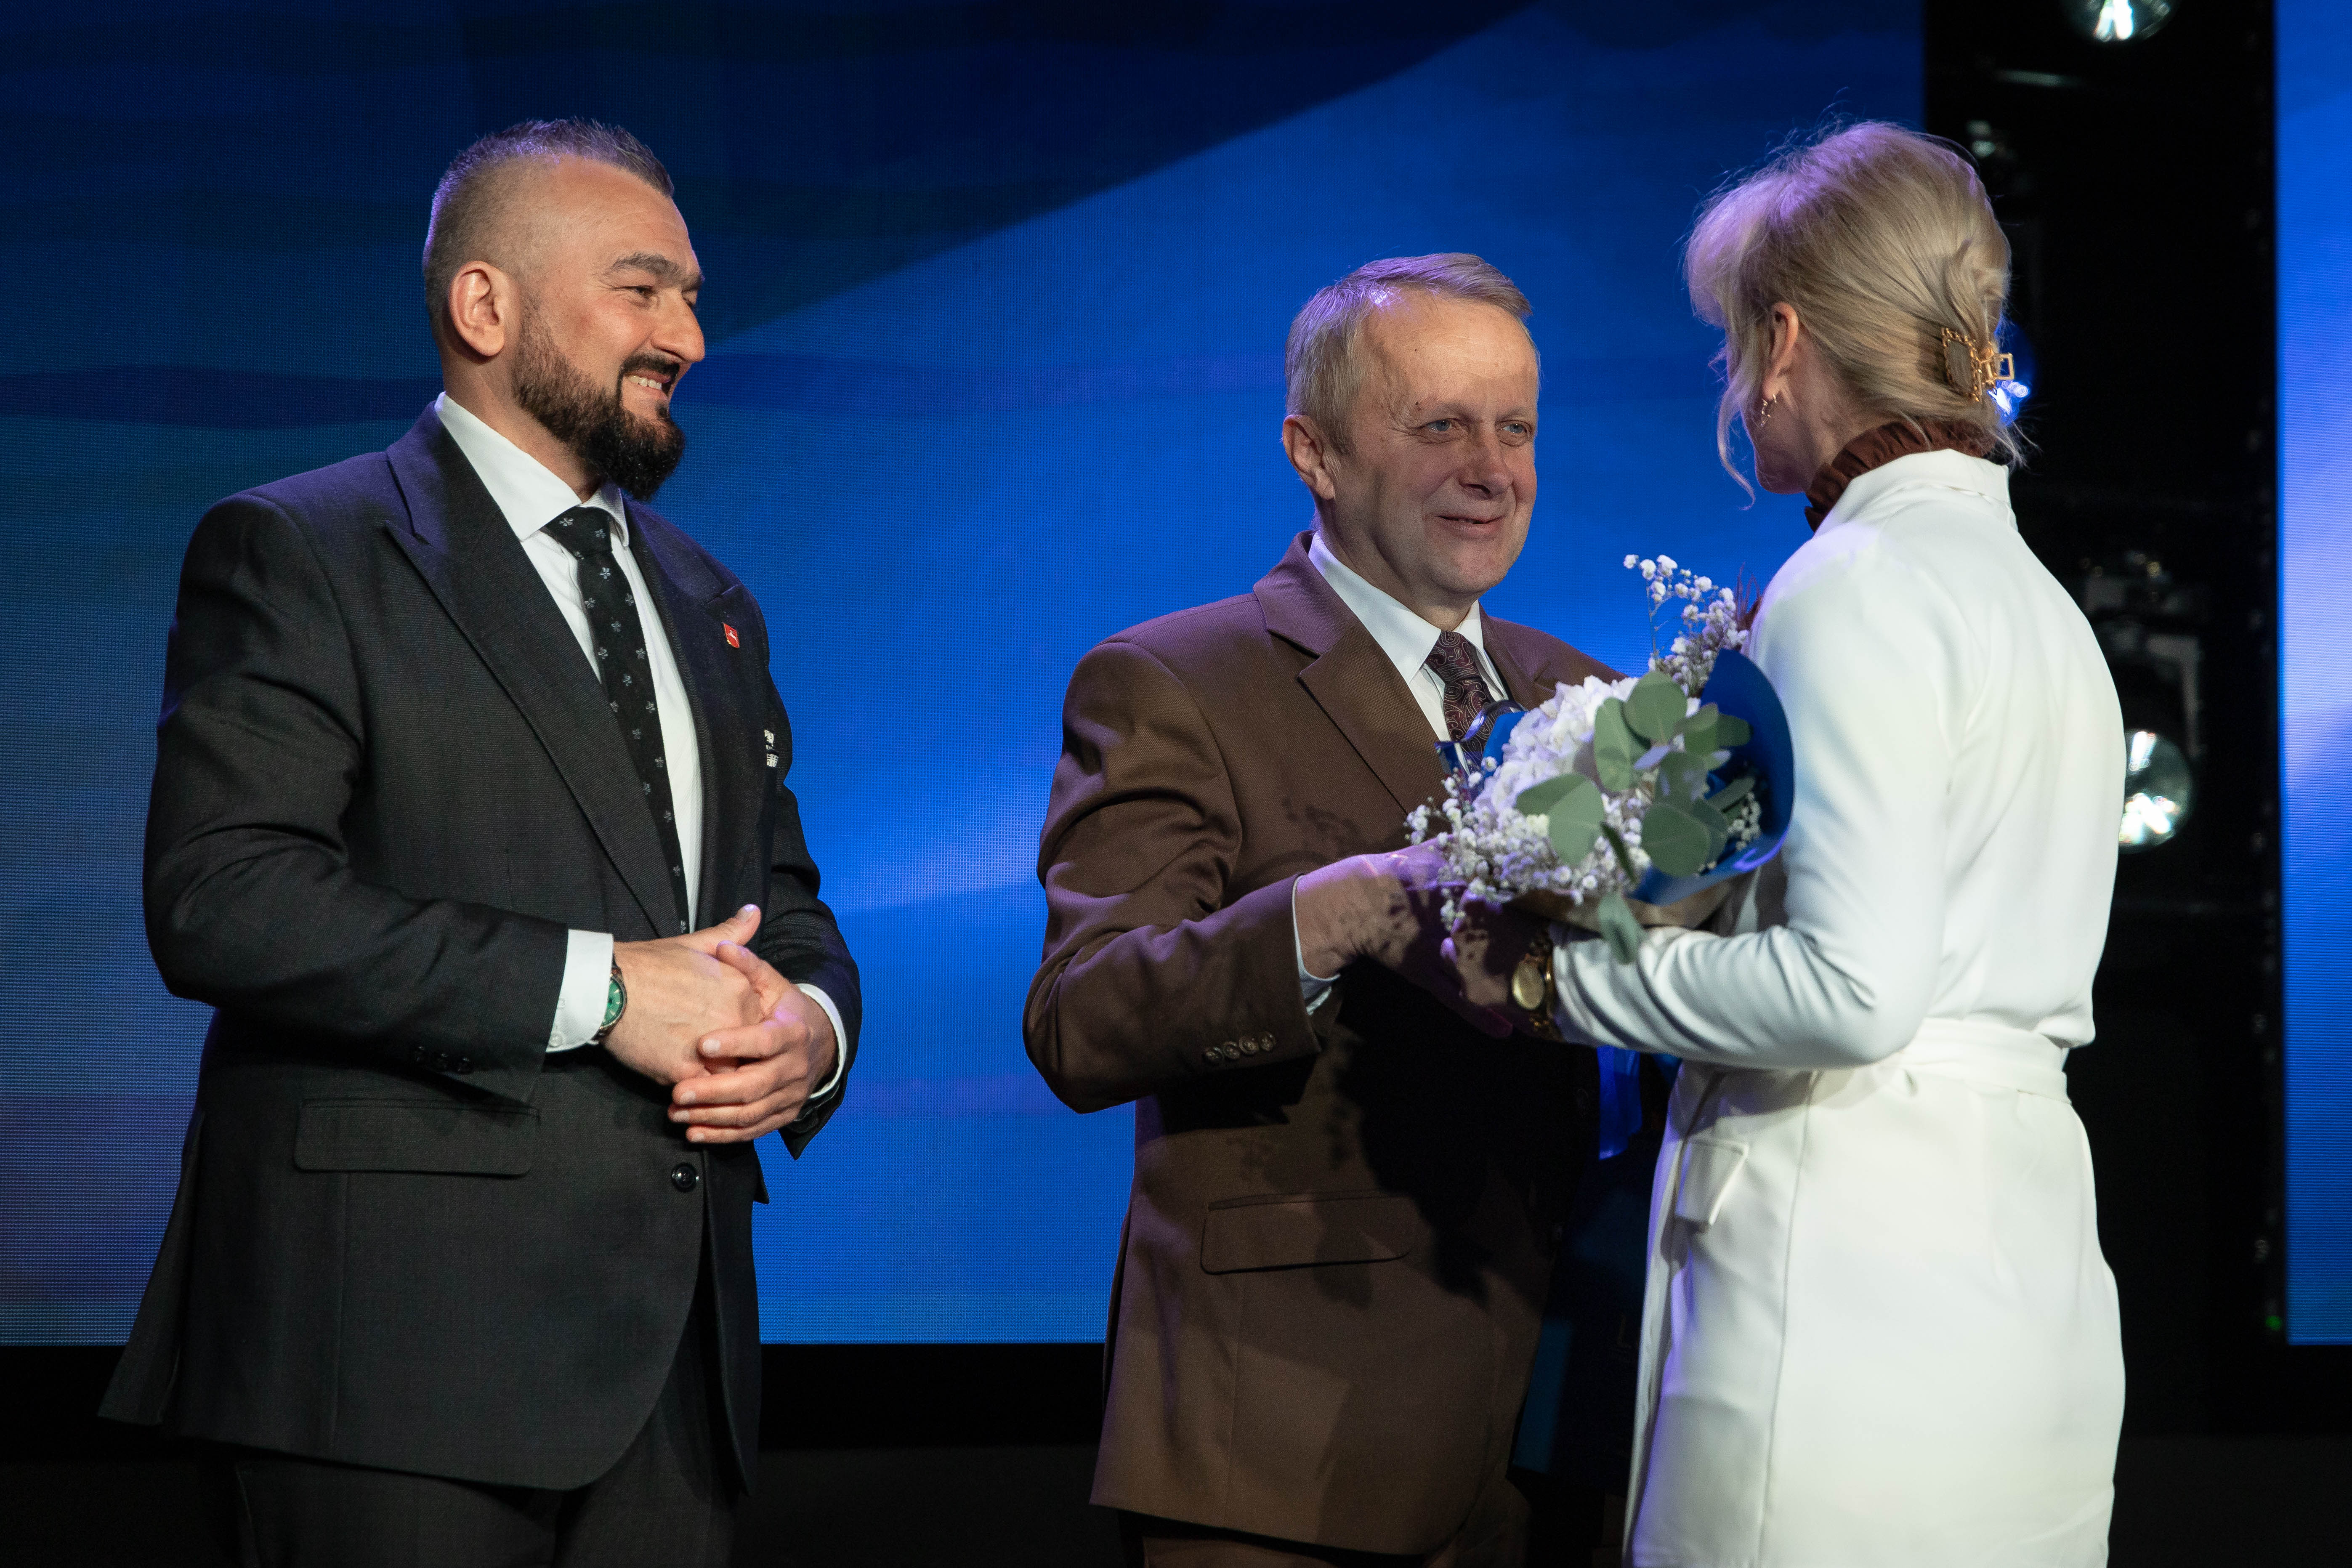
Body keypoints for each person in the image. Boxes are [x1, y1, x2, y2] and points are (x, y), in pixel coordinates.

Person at [101, 119, 860, 1567]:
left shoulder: (711, 600)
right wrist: (608, 990)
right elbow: (225, 897)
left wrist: (809, 1034)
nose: (689, 336)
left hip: (674, 1384)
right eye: (643, 290)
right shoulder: (303, 549)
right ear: (484, 306)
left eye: (694, 297)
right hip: (393, 1364)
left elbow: (785, 907)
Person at [1447, 123, 2127, 1566]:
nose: (1728, 377)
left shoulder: (1856, 583)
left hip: (1851, 1279)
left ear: (1788, 340)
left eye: (1731, 339)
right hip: (2027, 1279)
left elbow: (1853, 991)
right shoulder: (2044, 606)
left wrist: (1554, 981)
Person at [1025, 254, 1615, 1566]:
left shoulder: (1587, 699)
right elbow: (1082, 1017)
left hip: (1548, 1438)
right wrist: (1328, 918)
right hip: (1285, 1445)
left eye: (1516, 428)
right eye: (1441, 425)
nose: (1492, 469)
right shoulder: (1172, 679)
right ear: (1316, 453)